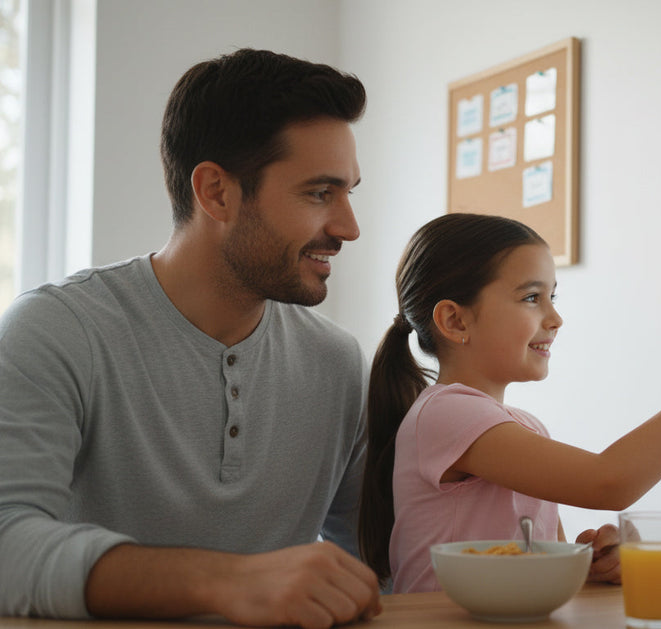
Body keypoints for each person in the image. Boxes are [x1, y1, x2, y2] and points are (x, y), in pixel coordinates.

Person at [0, 49, 382, 626]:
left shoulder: (338, 363)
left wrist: (550, 561)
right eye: (319, 193)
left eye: (349, 192)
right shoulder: (57, 332)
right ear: (216, 192)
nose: (349, 227)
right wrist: (227, 582)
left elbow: (384, 563)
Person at [359, 213, 661, 592]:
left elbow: (536, 564)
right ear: (455, 320)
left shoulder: (523, 425)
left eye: (553, 296)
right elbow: (610, 483)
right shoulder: (445, 412)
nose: (555, 317)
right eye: (531, 297)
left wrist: (587, 566)